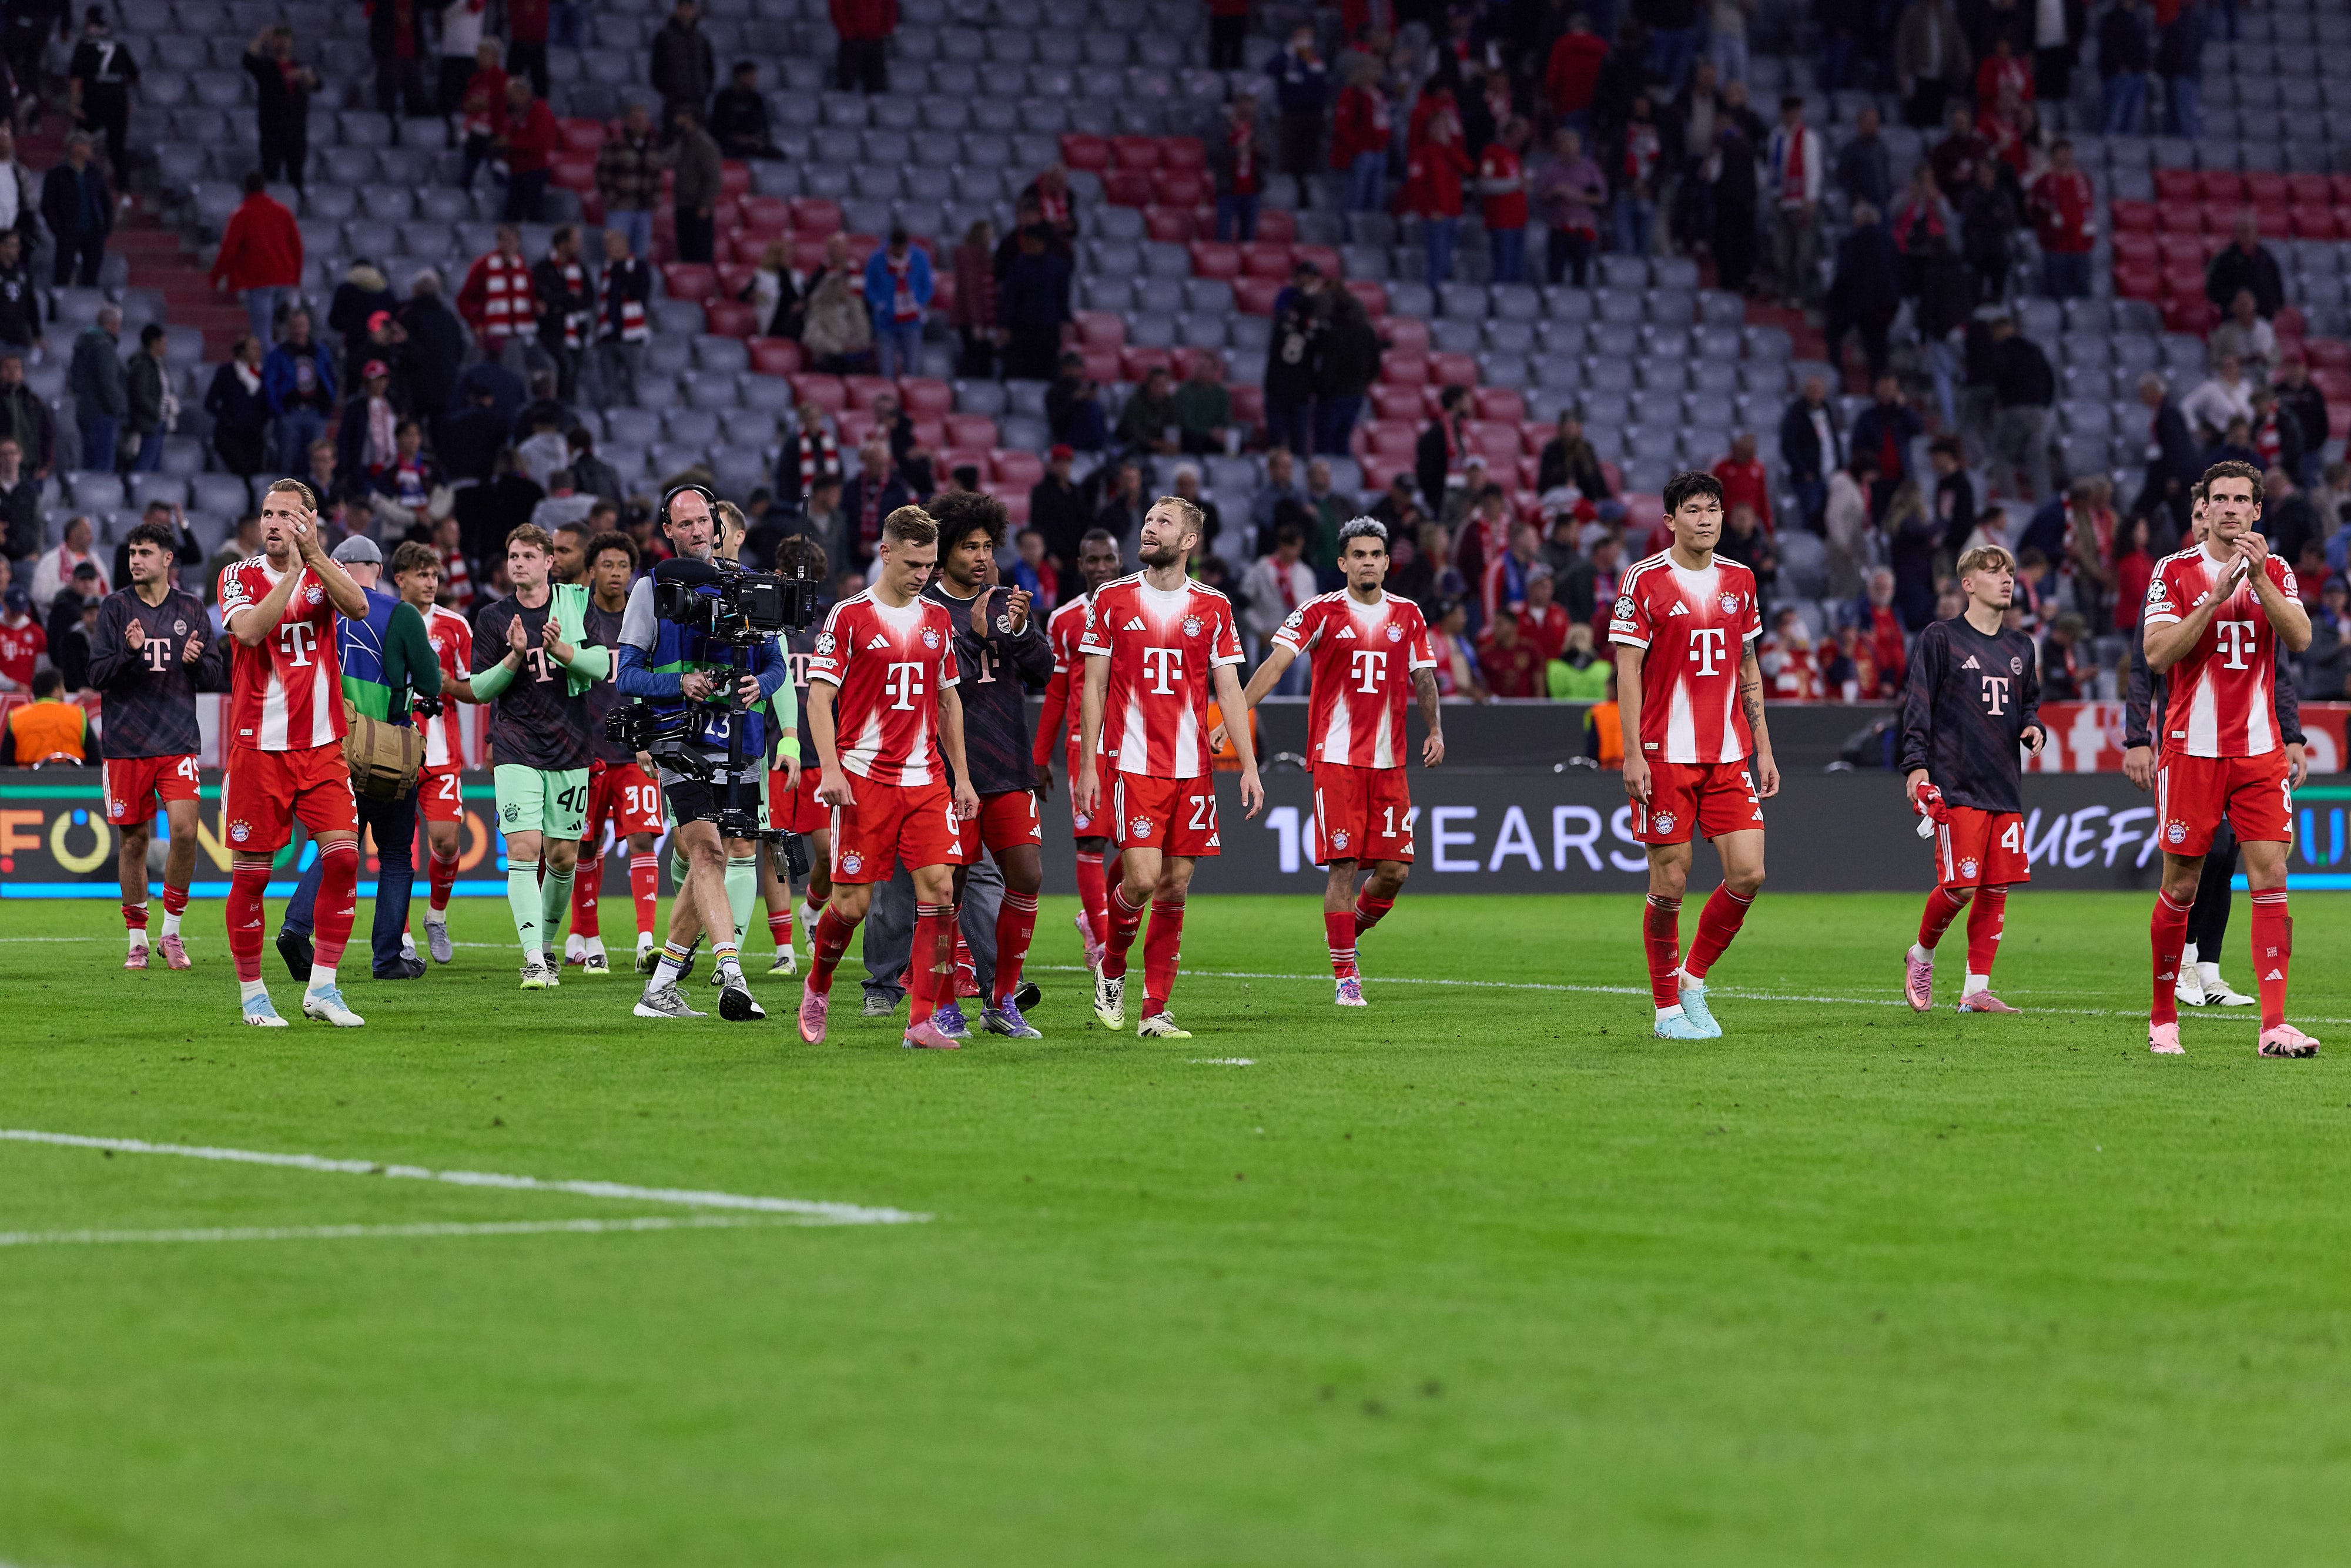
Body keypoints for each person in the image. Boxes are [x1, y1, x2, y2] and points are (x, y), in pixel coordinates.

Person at [2139, 461, 2316, 1056]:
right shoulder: (2174, 571)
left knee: (2270, 874)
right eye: (2220, 499)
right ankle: (2163, 1016)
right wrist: (2214, 598)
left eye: (2242, 499)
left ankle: (2274, 1025)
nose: (2231, 508)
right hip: (2192, 749)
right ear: (2206, 508)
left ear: (2257, 510)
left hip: (2259, 750)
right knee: (2182, 884)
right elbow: (2158, 653)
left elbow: (2299, 638)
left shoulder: (2278, 570)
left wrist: (2258, 579)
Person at [1075, 494, 1264, 1037]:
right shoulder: (1112, 599)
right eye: (1149, 520)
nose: (1149, 528)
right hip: (1133, 762)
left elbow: (1228, 689)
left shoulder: (1214, 607)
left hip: (1193, 767)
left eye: (1164, 523)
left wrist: (1247, 765)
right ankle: (1112, 966)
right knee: (1141, 879)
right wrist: (1088, 764)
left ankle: (1154, 1011)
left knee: (1176, 885)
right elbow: (1094, 685)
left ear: (1188, 542)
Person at [1235, 517, 1443, 1003]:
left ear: (1387, 563)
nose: (1368, 562)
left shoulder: (1409, 615)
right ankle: (1346, 977)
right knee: (1344, 869)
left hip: (1389, 762)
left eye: (1376, 554)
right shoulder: (1319, 612)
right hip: (1336, 759)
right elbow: (1275, 664)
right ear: (1343, 562)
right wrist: (1236, 711)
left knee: (1395, 872)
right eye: (1359, 555)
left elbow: (1425, 678)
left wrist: (1435, 729)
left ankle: (1344, 936)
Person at [793, 505, 975, 1046]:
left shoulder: (937, 620)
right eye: (914, 563)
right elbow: (820, 700)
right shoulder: (849, 618)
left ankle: (920, 1021)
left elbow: (949, 703)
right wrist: (829, 768)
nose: (924, 575)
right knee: (851, 906)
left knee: (941, 893)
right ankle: (818, 985)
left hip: (925, 779)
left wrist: (961, 776)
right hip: (862, 778)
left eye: (931, 565)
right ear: (887, 551)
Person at [1609, 469, 1780, 1041]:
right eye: (1693, 510)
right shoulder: (1644, 580)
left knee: (1749, 871)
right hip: (1664, 755)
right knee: (1671, 881)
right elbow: (1626, 672)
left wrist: (1763, 747)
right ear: (1670, 520)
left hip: (1728, 753)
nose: (1705, 519)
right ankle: (1664, 1012)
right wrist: (1631, 754)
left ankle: (1691, 980)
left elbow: (1748, 664)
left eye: (1713, 509)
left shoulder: (1741, 579)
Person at [216, 478, 372, 1026]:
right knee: (253, 876)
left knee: (346, 858)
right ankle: (253, 995)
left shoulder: (324, 571)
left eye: (286, 514)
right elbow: (253, 632)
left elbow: (357, 604)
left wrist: (314, 559)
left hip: (322, 744)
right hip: (259, 750)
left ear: (307, 521)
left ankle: (323, 988)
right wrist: (292, 578)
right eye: (267, 514)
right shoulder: (237, 575)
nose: (274, 522)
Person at [901, 490, 1055, 1037]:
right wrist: (979, 637)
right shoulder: (926, 610)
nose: (981, 557)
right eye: (970, 546)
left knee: (1028, 875)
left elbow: (1045, 669)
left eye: (988, 546)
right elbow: (940, 685)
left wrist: (1018, 633)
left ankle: (1002, 999)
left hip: (1010, 759)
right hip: (949, 769)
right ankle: (942, 1002)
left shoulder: (1006, 602)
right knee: (951, 887)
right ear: (944, 552)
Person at [272, 535, 440, 982]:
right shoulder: (400, 614)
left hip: (328, 748)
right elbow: (431, 682)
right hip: (387, 750)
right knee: (396, 856)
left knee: (335, 847)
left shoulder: (314, 610)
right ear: (379, 571)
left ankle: (296, 926)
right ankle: (388, 958)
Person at [1897, 543, 2045, 1012]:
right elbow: (1918, 705)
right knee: (1960, 887)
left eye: (2009, 572)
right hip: (1955, 783)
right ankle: (1921, 954)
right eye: (1993, 571)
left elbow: (2030, 705)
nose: (2006, 579)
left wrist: (2034, 727)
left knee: (1995, 888)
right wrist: (1917, 768)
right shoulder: (1941, 639)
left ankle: (1975, 990)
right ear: (1968, 584)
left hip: (2003, 784)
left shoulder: (2022, 647)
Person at [468, 521, 609, 989]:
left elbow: (603, 665)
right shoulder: (493, 618)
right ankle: (533, 959)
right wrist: (513, 657)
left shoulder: (576, 604)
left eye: (529, 556)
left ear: (549, 563)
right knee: (525, 852)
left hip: (570, 746)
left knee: (564, 858)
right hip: (516, 746)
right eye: (513, 557)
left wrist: (560, 649)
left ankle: (546, 947)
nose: (519, 564)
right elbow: (479, 688)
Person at [88, 517, 220, 968]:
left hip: (177, 739)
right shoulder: (115, 609)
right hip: (126, 743)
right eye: (132, 554)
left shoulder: (191, 609)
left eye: (145, 554)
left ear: (168, 560)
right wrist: (127, 652)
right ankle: (138, 939)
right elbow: (95, 675)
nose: (136, 561)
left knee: (185, 833)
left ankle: (173, 933)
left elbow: (214, 674)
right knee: (134, 842)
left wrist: (197, 662)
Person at [554, 529, 659, 975]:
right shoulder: (577, 615)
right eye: (608, 565)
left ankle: (647, 942)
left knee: (642, 837)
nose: (616, 573)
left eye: (623, 566)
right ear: (592, 570)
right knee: (585, 845)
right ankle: (589, 936)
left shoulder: (643, 619)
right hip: (585, 750)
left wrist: (649, 739)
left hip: (633, 751)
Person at [1033, 528, 1128, 974]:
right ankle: (1103, 942)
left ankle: (1094, 917)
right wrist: (1039, 756)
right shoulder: (1064, 619)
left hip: (1134, 745)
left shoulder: (1136, 608)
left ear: (1119, 559)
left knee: (1135, 848)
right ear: (1081, 564)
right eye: (1093, 561)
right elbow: (1055, 694)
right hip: (1084, 747)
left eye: (1108, 559)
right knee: (1091, 841)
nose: (1101, 568)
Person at [385, 542, 474, 961]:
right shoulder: (382, 619)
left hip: (440, 754)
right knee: (398, 847)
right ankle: (399, 934)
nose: (431, 583)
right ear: (400, 578)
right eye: (422, 575)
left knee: (445, 842)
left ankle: (435, 918)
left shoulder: (455, 626)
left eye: (435, 576)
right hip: (393, 752)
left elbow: (474, 688)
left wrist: (445, 686)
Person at [210, 172, 302, 350]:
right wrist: (295, 280)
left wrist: (216, 276)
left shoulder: (242, 214)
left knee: (262, 338)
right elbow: (297, 248)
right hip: (284, 281)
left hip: (259, 282)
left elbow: (229, 249)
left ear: (245, 190)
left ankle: (271, 375)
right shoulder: (283, 212)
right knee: (282, 335)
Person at [1765, 95, 1823, 309]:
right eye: (1787, 111)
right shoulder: (1776, 136)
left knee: (1802, 252)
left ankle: (1799, 294)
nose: (1791, 115)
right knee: (1781, 250)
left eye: (1794, 111)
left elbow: (1814, 170)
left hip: (1801, 201)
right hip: (1780, 199)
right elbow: (1773, 167)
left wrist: (1811, 198)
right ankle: (1783, 293)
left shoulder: (1808, 138)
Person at [244, 26, 317, 194]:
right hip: (272, 131)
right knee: (270, 175)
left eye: (285, 39)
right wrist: (261, 39)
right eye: (278, 39)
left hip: (296, 132)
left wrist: (303, 75)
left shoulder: (300, 67)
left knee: (296, 176)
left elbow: (316, 84)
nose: (282, 43)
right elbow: (248, 60)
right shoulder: (267, 67)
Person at [1532, 126, 1607, 287]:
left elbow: (1601, 198)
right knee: (1555, 275)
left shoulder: (1590, 169)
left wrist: (1576, 196)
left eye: (1571, 142)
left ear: (1579, 145)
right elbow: (1539, 197)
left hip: (1583, 230)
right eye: (1564, 143)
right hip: (1559, 229)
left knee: (1580, 276)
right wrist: (1554, 193)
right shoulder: (1550, 169)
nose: (1568, 147)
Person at [1264, 24, 1328, 209]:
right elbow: (1269, 70)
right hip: (1291, 116)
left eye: (1308, 37)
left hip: (1314, 117)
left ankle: (1306, 200)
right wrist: (1287, 52)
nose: (1305, 41)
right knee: (1289, 160)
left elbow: (1321, 87)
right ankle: (1287, 200)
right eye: (1302, 37)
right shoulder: (1286, 59)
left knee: (1309, 161)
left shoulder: (1316, 60)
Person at [529, 226, 593, 406]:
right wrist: (570, 297)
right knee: (565, 367)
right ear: (563, 243)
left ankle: (569, 411)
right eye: (575, 241)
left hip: (576, 331)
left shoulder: (580, 269)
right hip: (551, 330)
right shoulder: (542, 268)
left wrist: (558, 303)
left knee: (574, 373)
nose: (579, 246)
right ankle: (559, 407)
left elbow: (588, 298)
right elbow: (543, 298)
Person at [593, 102, 661, 267]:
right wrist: (611, 197)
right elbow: (602, 174)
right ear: (627, 122)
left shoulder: (653, 147)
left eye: (643, 120)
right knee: (616, 255)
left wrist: (655, 200)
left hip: (644, 209)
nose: (640, 124)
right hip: (620, 207)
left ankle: (635, 291)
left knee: (640, 258)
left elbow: (657, 177)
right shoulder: (614, 145)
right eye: (636, 120)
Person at [860, 227, 932, 381]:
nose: (898, 251)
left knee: (911, 369)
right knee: (886, 371)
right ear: (890, 245)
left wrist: (917, 304)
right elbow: (870, 287)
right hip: (886, 322)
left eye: (902, 248)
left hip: (912, 322)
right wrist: (880, 305)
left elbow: (927, 286)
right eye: (895, 248)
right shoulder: (876, 259)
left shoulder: (920, 257)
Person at [39, 129, 108, 288]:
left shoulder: (95, 173)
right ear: (77, 148)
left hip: (93, 232)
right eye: (88, 146)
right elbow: (48, 205)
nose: (91, 150)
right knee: (63, 274)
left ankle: (89, 309)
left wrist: (105, 227)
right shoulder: (57, 174)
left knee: (91, 277)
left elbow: (105, 203)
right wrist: (59, 229)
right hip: (68, 232)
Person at [2025, 138, 2092, 300]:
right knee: (2056, 295)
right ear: (2053, 157)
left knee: (2083, 294)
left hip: (2080, 247)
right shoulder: (2044, 182)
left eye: (2068, 153)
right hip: (2055, 248)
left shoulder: (2084, 181)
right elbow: (2033, 210)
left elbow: (2089, 209)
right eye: (2061, 154)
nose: (2065, 157)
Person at [1331, 56, 1390, 230]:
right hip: (1361, 154)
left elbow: (1383, 121)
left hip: (1379, 152)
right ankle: (1349, 239)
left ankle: (1369, 240)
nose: (1376, 74)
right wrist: (1358, 148)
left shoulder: (1379, 93)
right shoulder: (1351, 93)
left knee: (1376, 201)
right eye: (1372, 69)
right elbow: (1343, 127)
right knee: (1355, 201)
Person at [65, 304, 123, 473]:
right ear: (114, 324)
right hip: (102, 412)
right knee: (102, 467)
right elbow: (108, 383)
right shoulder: (104, 345)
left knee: (89, 463)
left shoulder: (83, 343)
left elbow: (74, 379)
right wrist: (117, 409)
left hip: (85, 410)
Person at [1897, 0, 1972, 129]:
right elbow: (1902, 47)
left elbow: (1959, 43)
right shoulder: (1913, 14)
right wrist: (1904, 75)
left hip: (1941, 77)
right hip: (1919, 78)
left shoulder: (1948, 16)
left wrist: (1966, 64)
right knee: (1917, 122)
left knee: (1936, 123)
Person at [1476, 117, 1532, 285]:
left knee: (1517, 271)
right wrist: (1516, 184)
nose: (1522, 139)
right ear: (1511, 133)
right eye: (1520, 134)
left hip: (1518, 221)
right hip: (1501, 221)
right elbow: (1485, 184)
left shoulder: (1515, 156)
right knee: (1503, 268)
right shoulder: (1491, 153)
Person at [667, 105, 723, 264]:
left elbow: (714, 178)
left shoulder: (705, 144)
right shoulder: (682, 141)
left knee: (700, 256)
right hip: (683, 205)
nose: (675, 120)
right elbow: (670, 159)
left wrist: (705, 205)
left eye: (679, 115)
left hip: (698, 208)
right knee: (686, 254)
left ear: (689, 118)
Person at [2204, 211, 2283, 321]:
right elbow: (2213, 292)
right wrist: (2237, 301)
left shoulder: (2267, 258)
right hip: (2233, 322)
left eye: (2250, 230)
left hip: (2263, 322)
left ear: (2256, 232)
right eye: (2243, 230)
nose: (2247, 234)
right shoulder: (2224, 260)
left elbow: (2277, 291)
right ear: (2236, 233)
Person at [498, 77, 557, 223]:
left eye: (511, 95)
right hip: (515, 170)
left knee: (534, 214)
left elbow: (540, 142)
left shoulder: (541, 111)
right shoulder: (515, 111)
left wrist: (511, 143)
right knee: (511, 216)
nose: (509, 99)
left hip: (534, 171)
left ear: (523, 93)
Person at [649, 0, 714, 129]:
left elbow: (709, 68)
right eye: (683, 8)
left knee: (698, 139)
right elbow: (656, 69)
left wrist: (703, 89)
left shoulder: (701, 39)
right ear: (677, 9)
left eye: (689, 8)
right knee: (675, 140)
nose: (686, 12)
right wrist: (669, 90)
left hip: (698, 101)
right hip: (675, 101)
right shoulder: (664, 36)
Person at [0, 664, 86, 759]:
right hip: (73, 773)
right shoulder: (77, 714)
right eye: (62, 687)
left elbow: (5, 763)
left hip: (29, 773)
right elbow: (94, 760)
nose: (64, 691)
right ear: (56, 691)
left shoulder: (16, 717)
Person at [1210, 92, 1263, 244]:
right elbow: (1213, 155)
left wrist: (1260, 150)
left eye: (1251, 108)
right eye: (1244, 108)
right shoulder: (1222, 127)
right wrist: (1235, 151)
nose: (1248, 112)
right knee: (1224, 236)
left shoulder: (1258, 129)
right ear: (1236, 107)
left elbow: (1270, 157)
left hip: (1251, 190)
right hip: (1228, 189)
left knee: (1248, 239)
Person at [455, 38, 507, 190]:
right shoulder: (475, 79)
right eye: (478, 53)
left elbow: (501, 104)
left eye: (483, 53)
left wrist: (482, 104)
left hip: (495, 134)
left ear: (495, 56)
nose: (478, 57)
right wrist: (478, 104)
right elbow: (466, 105)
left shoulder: (502, 79)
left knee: (499, 172)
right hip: (475, 132)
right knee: (467, 174)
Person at [2097, 0, 2151, 132]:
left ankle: (2130, 151)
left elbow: (2143, 45)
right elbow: (2109, 45)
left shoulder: (2139, 18)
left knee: (2133, 119)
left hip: (2138, 72)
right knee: (2115, 117)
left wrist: (2145, 64)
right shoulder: (2111, 18)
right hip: (2118, 74)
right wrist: (2120, 65)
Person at [2157, 0, 2206, 139]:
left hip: (2184, 75)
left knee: (2186, 118)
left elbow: (2187, 51)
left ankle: (2190, 154)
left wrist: (2173, 69)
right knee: (2173, 118)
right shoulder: (2178, 22)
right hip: (2178, 74)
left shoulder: (2191, 23)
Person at [709, 59, 774, 160]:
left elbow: (763, 126)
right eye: (750, 76)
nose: (754, 80)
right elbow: (717, 129)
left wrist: (759, 140)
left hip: (752, 145)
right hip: (730, 145)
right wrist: (739, 139)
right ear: (740, 76)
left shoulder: (756, 99)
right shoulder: (724, 98)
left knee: (777, 155)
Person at [830, 0, 895, 93]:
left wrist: (884, 30)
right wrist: (849, 33)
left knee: (877, 87)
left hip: (875, 40)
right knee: (846, 84)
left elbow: (889, 6)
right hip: (851, 42)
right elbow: (837, 8)